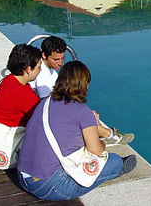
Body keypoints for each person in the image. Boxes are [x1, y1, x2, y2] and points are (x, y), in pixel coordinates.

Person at [17, 61, 137, 201]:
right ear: (84, 84)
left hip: (23, 176)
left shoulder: (46, 102)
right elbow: (96, 150)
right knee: (114, 161)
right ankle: (116, 169)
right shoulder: (81, 111)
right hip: (48, 186)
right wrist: (103, 143)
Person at [30, 35, 134, 147]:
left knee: (85, 114)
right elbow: (49, 105)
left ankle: (106, 134)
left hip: (51, 113)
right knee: (84, 116)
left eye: (62, 59)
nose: (60, 63)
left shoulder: (48, 70)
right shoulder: (42, 75)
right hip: (48, 119)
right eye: (56, 59)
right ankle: (109, 136)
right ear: (44, 55)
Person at [0, 44, 42, 168]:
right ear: (28, 69)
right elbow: (44, 117)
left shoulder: (9, 82)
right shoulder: (19, 91)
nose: (40, 70)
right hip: (8, 147)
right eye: (38, 67)